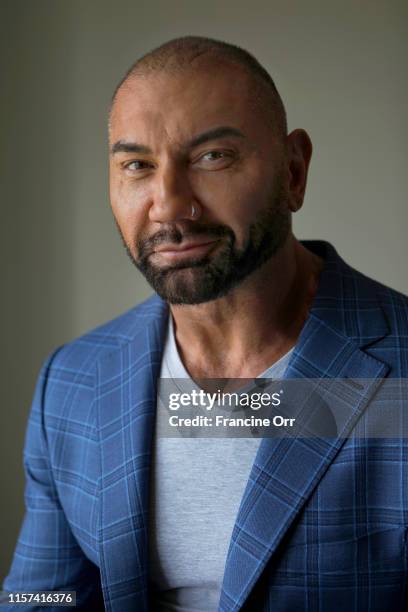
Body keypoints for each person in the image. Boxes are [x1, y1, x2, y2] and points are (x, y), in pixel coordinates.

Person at [2, 36, 407, 612]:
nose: (168, 205)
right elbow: (40, 599)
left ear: (293, 172)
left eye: (212, 157)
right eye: (137, 165)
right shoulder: (71, 385)